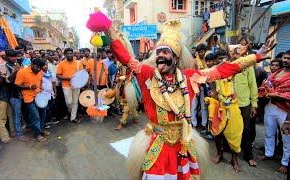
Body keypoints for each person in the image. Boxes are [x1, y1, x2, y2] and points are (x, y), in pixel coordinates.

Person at [106, 19, 273, 179]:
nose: (161, 56)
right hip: (157, 143)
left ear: (176, 58)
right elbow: (126, 58)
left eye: (166, 52)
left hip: (183, 144)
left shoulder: (190, 77)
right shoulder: (146, 73)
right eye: (159, 52)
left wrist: (255, 57)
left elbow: (222, 71)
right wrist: (107, 31)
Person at [257, 50, 290, 174]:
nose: (286, 60)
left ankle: (285, 163)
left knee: (287, 137)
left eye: (289, 58)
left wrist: (278, 95)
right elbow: (265, 86)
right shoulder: (275, 73)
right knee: (269, 132)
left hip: (285, 110)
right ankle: (269, 153)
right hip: (270, 106)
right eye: (285, 58)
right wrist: (267, 92)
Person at [15, 58, 49, 142]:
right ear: (32, 64)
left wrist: (40, 87)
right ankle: (37, 134)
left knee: (43, 114)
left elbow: (39, 81)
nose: (39, 69)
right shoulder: (22, 72)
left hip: (39, 95)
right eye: (37, 67)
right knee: (35, 116)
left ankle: (40, 130)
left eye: (40, 68)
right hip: (28, 97)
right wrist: (29, 87)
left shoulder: (40, 72)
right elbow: (17, 85)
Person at [234, 51, 258, 167]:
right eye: (234, 52)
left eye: (239, 53)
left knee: (247, 130)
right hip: (230, 105)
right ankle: (232, 153)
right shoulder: (228, 65)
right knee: (231, 129)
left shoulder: (248, 67)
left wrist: (254, 104)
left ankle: (248, 155)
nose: (236, 55)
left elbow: (253, 85)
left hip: (245, 105)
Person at [5, 49, 29, 142]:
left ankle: (21, 130)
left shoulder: (17, 65)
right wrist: (15, 71)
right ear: (7, 57)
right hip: (13, 94)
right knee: (17, 114)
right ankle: (19, 135)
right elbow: (7, 80)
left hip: (20, 93)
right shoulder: (4, 66)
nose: (14, 58)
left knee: (21, 113)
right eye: (12, 56)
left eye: (15, 56)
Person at [57, 48, 83, 123]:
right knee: (69, 102)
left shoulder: (78, 63)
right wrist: (68, 79)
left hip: (76, 85)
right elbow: (58, 75)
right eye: (67, 53)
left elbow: (81, 74)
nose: (69, 55)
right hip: (66, 85)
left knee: (75, 102)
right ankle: (71, 112)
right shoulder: (61, 63)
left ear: (73, 54)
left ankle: (73, 117)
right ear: (65, 54)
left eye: (70, 53)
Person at [192, 43, 208, 130]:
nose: (202, 53)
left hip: (205, 85)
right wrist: (196, 89)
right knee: (194, 106)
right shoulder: (194, 62)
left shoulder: (207, 61)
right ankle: (194, 123)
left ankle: (204, 123)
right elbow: (192, 76)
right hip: (195, 86)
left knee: (204, 106)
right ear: (197, 52)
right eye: (200, 52)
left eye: (203, 52)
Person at [41, 61, 57, 128]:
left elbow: (53, 83)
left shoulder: (50, 73)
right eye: (44, 65)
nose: (45, 66)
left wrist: (55, 91)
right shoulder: (39, 74)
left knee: (51, 106)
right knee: (45, 108)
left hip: (50, 92)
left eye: (46, 65)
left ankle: (49, 119)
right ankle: (44, 122)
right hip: (43, 93)